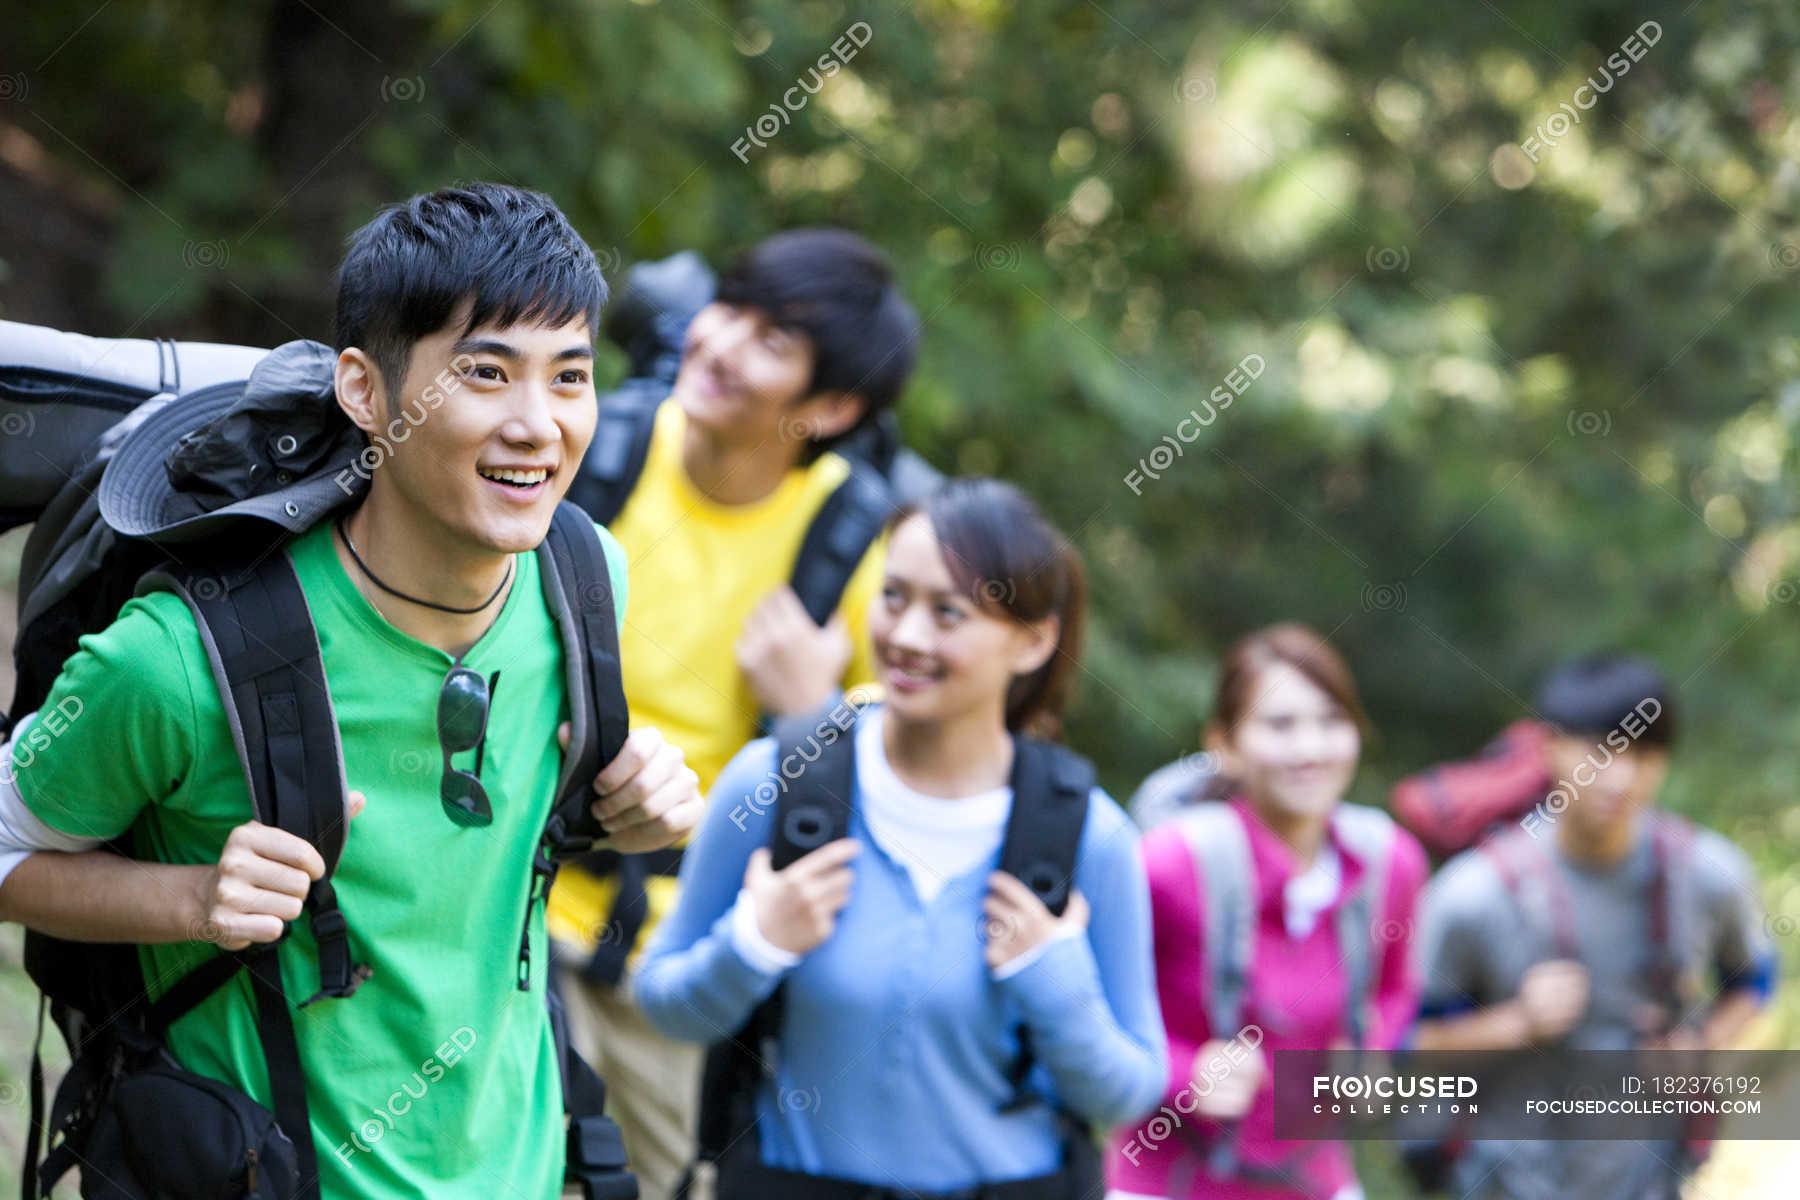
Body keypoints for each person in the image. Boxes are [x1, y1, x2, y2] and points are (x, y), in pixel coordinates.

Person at [0, 182, 703, 1198]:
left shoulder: (584, 583)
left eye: (570, 377)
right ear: (366, 391)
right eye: (485, 372)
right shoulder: (181, 658)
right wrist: (192, 897)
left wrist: (629, 813)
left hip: (528, 1169)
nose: (537, 425)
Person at [634, 477, 1165, 1196]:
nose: (907, 637)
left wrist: (1054, 980)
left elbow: (1129, 1093)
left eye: (949, 613)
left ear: (1034, 641)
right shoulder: (776, 785)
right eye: (894, 597)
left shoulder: (1090, 837)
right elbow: (662, 1003)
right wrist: (754, 943)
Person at [545, 228, 921, 1198]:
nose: (717, 344)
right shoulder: (596, 450)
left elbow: (905, 794)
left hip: (684, 959)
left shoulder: (856, 546)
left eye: (772, 342)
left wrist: (810, 714)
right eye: (730, 309)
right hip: (513, 902)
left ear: (831, 407)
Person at [1411, 655, 1776, 1199]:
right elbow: (1406, 1043)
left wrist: (1702, 1044)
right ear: (1550, 746)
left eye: (1645, 753)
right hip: (1505, 1179)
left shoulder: (1708, 874)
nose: (1622, 776)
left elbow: (1756, 980)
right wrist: (1515, 1024)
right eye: (1601, 751)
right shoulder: (1474, 893)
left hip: (1650, 1179)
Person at [1107, 622, 1428, 1200]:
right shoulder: (1170, 864)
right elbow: (1093, 1006)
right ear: (1223, 744)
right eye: (1280, 725)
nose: (1310, 749)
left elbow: (1397, 987)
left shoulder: (1389, 861)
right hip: (1166, 1181)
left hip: (1316, 1181)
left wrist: (1371, 1049)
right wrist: (1181, 1072)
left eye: (1332, 721)